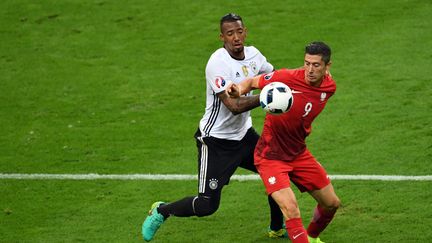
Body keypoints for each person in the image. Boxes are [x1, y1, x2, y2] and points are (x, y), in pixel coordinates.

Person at [141, 13, 286, 241]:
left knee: (277, 172)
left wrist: (301, 82)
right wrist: (265, 98)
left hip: (245, 136)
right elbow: (233, 106)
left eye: (239, 32)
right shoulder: (217, 64)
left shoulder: (255, 56)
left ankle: (277, 228)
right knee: (207, 205)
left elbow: (275, 78)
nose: (236, 37)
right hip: (216, 141)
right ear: (222, 37)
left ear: (245, 32)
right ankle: (161, 210)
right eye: (230, 34)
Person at [227, 41, 341, 243]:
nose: (310, 70)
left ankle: (311, 238)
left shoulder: (329, 87)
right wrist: (238, 90)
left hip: (298, 153)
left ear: (327, 66)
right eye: (307, 63)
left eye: (316, 65)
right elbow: (253, 82)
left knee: (331, 203)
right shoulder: (286, 78)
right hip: (270, 156)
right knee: (291, 208)